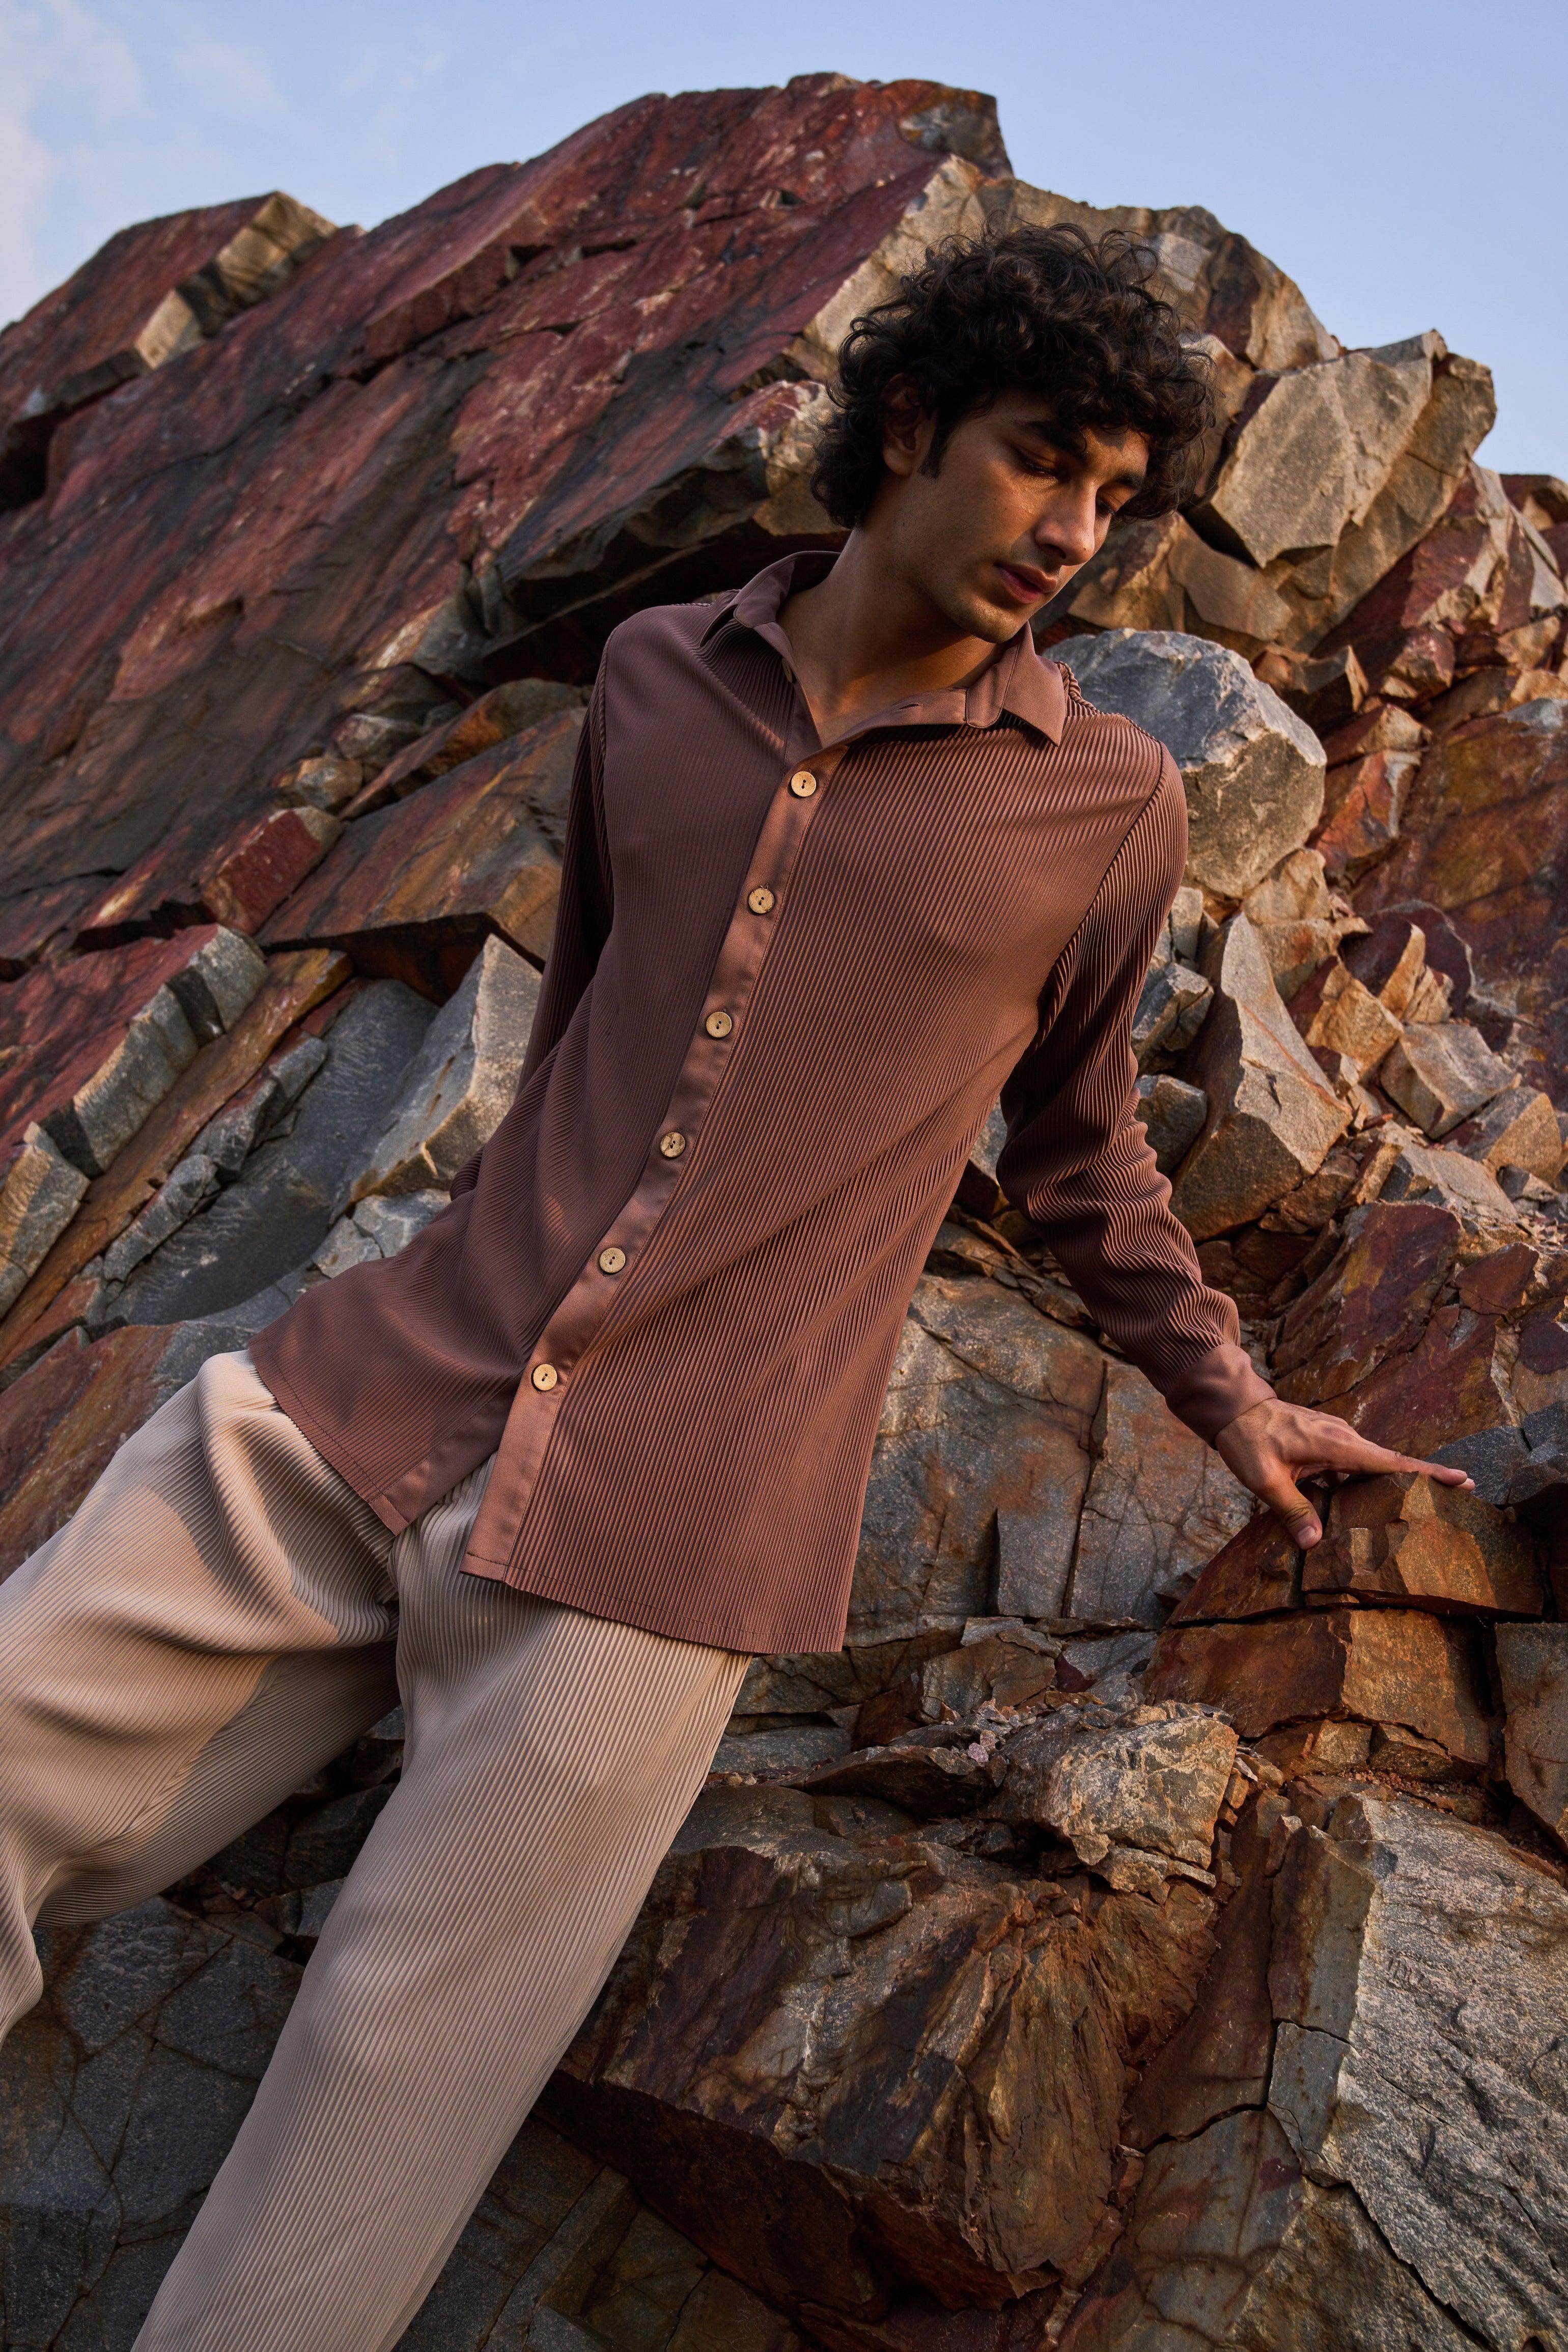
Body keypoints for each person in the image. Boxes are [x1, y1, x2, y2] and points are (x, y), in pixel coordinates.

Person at [0, 226, 1471, 2350]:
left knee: (367, 2135)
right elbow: (591, 1022)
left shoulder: (1105, 805)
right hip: (367, 1395)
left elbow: (1079, 1151)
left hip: (661, 1543)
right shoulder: (654, 677)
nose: (1073, 531)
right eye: (1039, 459)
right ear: (908, 424)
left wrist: (1224, 1390)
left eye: (1115, 495)